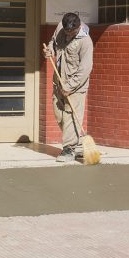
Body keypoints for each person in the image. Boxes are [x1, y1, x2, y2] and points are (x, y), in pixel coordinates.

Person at [43, 12, 94, 162]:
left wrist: (70, 86)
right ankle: (77, 145)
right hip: (58, 82)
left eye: (72, 32)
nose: (68, 34)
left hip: (76, 86)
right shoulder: (60, 28)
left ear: (78, 27)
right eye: (66, 31)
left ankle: (68, 149)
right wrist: (50, 51)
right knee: (59, 115)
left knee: (70, 116)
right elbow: (53, 42)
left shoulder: (86, 41)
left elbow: (85, 69)